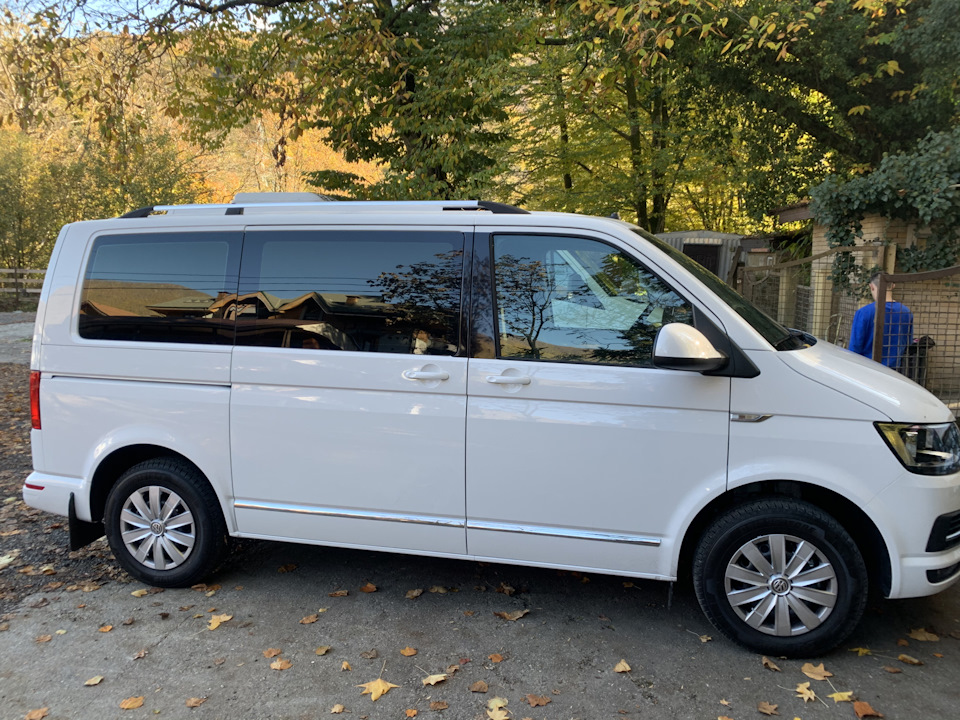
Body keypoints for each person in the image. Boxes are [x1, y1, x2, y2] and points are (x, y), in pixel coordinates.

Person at [848, 272, 913, 367]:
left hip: (867, 368)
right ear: (893, 286)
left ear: (871, 287)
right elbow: (908, 342)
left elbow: (855, 347)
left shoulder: (864, 313)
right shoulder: (906, 312)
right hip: (894, 369)